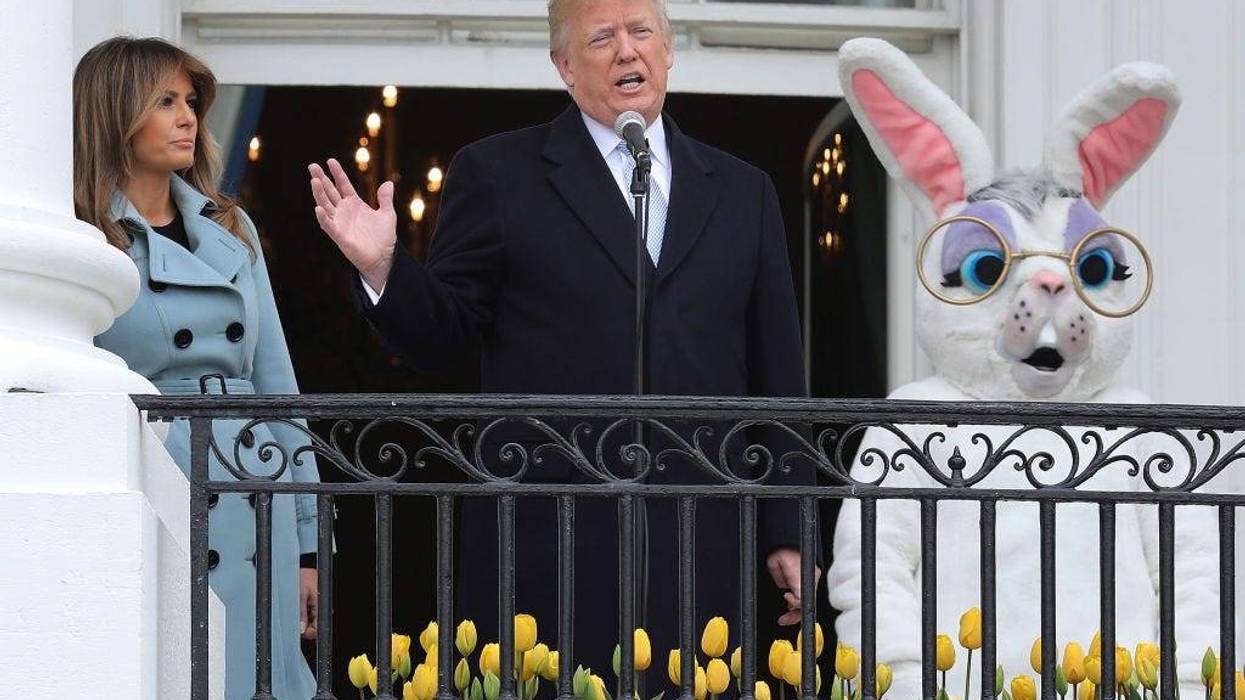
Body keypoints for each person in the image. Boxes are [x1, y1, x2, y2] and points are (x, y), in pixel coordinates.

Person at [308, 0, 818, 667]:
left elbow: (775, 366)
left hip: (699, 531)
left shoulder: (742, 190)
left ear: (667, 52)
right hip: (546, 530)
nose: (626, 52)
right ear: (564, 66)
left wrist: (791, 526)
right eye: (601, 37)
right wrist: (384, 269)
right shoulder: (498, 174)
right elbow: (445, 340)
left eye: (641, 33)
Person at [76, 36, 321, 700]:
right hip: (160, 476)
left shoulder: (229, 228)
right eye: (164, 101)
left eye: (190, 101)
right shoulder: (85, 238)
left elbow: (277, 385)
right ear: (114, 115)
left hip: (251, 474)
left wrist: (306, 545)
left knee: (263, 674)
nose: (187, 117)